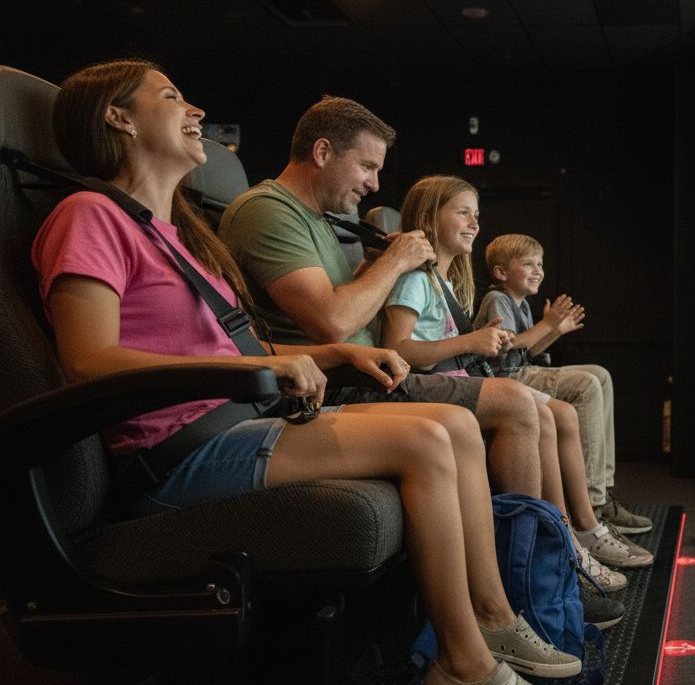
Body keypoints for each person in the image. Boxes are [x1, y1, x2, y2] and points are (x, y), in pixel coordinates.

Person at [34, 60, 580, 685]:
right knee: (429, 438)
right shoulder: (88, 215)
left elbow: (231, 353)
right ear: (118, 117)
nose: (197, 113)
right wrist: (288, 358)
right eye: (171, 96)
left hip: (236, 420)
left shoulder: (177, 237)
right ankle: (463, 663)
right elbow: (87, 359)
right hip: (177, 449)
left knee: (454, 424)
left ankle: (490, 615)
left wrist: (335, 354)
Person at [218, 96, 551, 502]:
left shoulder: (319, 220)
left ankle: (550, 541)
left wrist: (371, 266)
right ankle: (539, 550)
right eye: (367, 166)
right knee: (515, 402)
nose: (374, 184)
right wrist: (394, 262)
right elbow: (332, 323)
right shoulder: (268, 210)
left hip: (365, 372)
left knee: (533, 407)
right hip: (331, 383)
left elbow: (343, 306)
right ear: (322, 152)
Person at [382, 176, 653, 585]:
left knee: (560, 414)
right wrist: (472, 340)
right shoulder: (414, 279)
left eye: (477, 214)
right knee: (539, 410)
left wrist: (480, 341)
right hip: (426, 383)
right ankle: (563, 545)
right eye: (463, 212)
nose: (474, 222)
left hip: (454, 374)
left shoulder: (446, 280)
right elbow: (396, 348)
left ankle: (579, 531)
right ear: (428, 217)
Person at [474, 234, 652, 536]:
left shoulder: (522, 304)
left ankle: (603, 490)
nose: (537, 270)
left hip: (521, 371)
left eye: (540, 264)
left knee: (601, 375)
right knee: (584, 384)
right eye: (528, 264)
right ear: (501, 273)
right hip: (504, 381)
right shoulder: (497, 299)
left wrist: (556, 329)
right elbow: (505, 348)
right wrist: (548, 324)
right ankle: (593, 503)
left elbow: (528, 350)